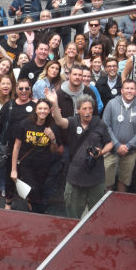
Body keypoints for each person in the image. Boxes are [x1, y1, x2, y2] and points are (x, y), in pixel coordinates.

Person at [48, 91, 113, 219]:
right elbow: (60, 121)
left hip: (96, 176)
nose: (88, 111)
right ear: (78, 110)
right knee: (73, 212)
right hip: (75, 176)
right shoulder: (73, 121)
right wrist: (54, 102)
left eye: (90, 108)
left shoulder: (100, 124)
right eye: (84, 109)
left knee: (97, 213)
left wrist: (102, 152)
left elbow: (109, 143)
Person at [0, 78, 38, 211]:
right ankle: (8, 202)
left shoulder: (36, 105)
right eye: (21, 88)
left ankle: (30, 203)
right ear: (17, 90)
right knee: (10, 177)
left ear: (30, 90)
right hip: (11, 148)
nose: (24, 91)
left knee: (30, 177)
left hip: (29, 149)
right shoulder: (10, 105)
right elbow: (1, 125)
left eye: (26, 88)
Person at [10, 98, 58, 213]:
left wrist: (53, 139)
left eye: (45, 109)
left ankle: (33, 212)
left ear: (49, 111)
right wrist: (14, 170)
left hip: (43, 165)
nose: (43, 111)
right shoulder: (25, 124)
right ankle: (38, 212)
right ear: (35, 110)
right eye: (40, 108)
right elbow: (16, 147)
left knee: (40, 190)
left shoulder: (52, 126)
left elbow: (53, 150)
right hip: (26, 164)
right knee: (33, 189)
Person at [103, 78, 136, 192]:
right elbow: (106, 125)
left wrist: (128, 146)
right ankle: (107, 206)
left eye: (132, 88)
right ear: (121, 90)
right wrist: (117, 145)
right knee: (107, 181)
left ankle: (119, 205)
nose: (129, 91)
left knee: (124, 181)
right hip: (111, 151)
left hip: (130, 152)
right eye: (127, 88)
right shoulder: (112, 104)